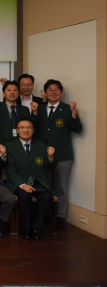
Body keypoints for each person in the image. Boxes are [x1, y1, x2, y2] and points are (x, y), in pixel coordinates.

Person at [36, 79, 82, 228]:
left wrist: (74, 112)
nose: (53, 92)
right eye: (50, 90)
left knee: (62, 187)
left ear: (61, 92)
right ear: (45, 92)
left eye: (56, 90)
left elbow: (77, 128)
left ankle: (60, 216)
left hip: (62, 155)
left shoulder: (67, 108)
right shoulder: (40, 109)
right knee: (46, 186)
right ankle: (46, 214)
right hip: (43, 155)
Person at [6, 117, 56, 240]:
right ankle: (27, 228)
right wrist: (22, 184)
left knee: (47, 196)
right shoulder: (10, 146)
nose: (26, 130)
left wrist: (51, 157)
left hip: (37, 182)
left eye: (28, 127)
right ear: (17, 130)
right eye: (22, 127)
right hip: (19, 183)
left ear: (33, 130)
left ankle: (36, 228)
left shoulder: (41, 146)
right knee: (24, 196)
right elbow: (11, 170)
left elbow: (49, 166)